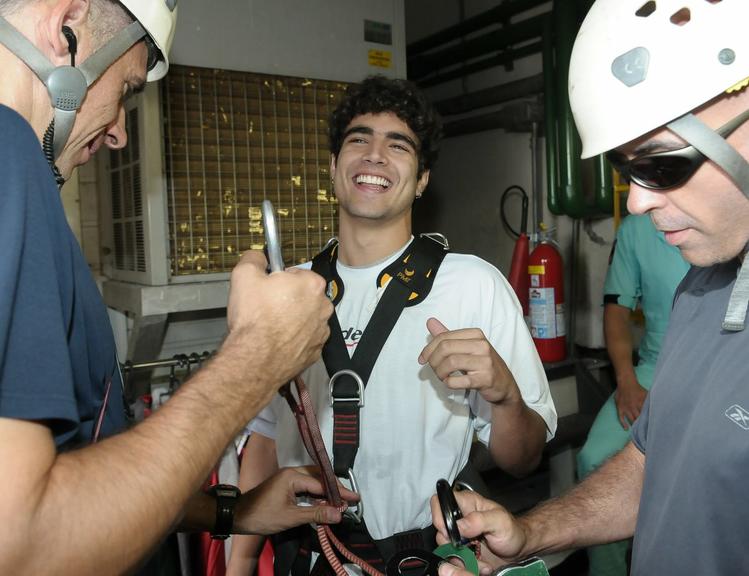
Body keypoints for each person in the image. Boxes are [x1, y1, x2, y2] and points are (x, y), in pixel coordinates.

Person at [0, 2, 356, 575]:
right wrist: (258, 356)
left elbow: (72, 474)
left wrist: (229, 511)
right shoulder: (7, 152)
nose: (118, 133)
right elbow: (21, 544)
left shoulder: (22, 181)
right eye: (125, 89)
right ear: (64, 28)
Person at [431, 1, 749, 575]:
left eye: (662, 164)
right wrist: (529, 534)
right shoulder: (702, 291)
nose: (637, 201)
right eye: (629, 172)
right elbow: (652, 466)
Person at [226, 75, 557, 576]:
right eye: (359, 139)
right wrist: (241, 563)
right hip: (314, 557)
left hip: (425, 562)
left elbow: (524, 459)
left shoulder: (472, 284)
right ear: (333, 167)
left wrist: (505, 394)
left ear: (422, 178)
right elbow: (267, 440)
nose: (375, 155)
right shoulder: (287, 293)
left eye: (397, 145)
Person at [577, 213, 689, 576]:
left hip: (731, 363)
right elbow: (616, 309)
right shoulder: (637, 230)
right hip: (657, 366)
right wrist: (625, 380)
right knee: (595, 457)